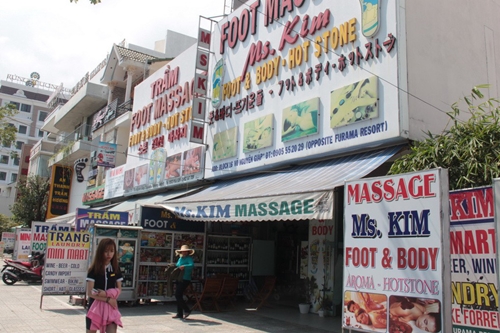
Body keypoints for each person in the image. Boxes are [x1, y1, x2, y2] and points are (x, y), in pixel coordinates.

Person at [86, 238, 123, 333]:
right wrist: (107, 299)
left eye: (112, 251)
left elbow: (119, 289)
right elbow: (90, 293)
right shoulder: (93, 269)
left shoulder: (116, 268)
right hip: (94, 308)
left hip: (110, 308)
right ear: (100, 252)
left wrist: (108, 295)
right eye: (106, 251)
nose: (109, 254)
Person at [173, 244, 195, 319]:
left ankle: (187, 310)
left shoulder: (189, 258)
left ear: (188, 252)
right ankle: (179, 313)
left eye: (185, 252)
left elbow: (192, 265)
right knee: (179, 296)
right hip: (179, 278)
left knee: (177, 295)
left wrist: (184, 266)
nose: (184, 253)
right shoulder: (180, 258)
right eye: (183, 252)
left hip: (185, 279)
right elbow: (177, 265)